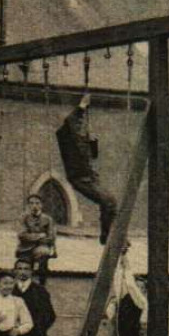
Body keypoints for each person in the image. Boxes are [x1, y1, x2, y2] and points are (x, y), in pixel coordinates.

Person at [55, 94, 117, 244]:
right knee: (108, 201)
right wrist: (82, 106)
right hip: (80, 178)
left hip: (91, 177)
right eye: (79, 122)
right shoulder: (66, 137)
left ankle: (109, 234)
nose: (81, 125)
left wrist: (93, 141)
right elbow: (70, 121)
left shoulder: (81, 139)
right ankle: (107, 236)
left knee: (111, 202)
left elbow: (93, 156)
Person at [14, 194, 57, 282]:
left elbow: (51, 237)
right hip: (25, 249)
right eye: (31, 203)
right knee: (23, 271)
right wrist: (40, 235)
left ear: (41, 205)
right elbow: (22, 235)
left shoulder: (48, 219)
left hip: (42, 248)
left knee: (43, 263)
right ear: (28, 205)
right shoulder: (23, 218)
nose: (34, 205)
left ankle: (41, 286)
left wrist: (33, 237)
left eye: (37, 203)